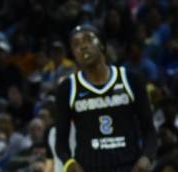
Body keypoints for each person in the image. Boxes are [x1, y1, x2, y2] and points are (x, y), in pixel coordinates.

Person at [55, 25, 156, 172]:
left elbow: (149, 130)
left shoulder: (130, 79)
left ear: (102, 44)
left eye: (88, 40)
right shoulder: (67, 88)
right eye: (75, 44)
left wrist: (147, 157)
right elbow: (61, 141)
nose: (82, 46)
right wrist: (69, 163)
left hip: (128, 166)